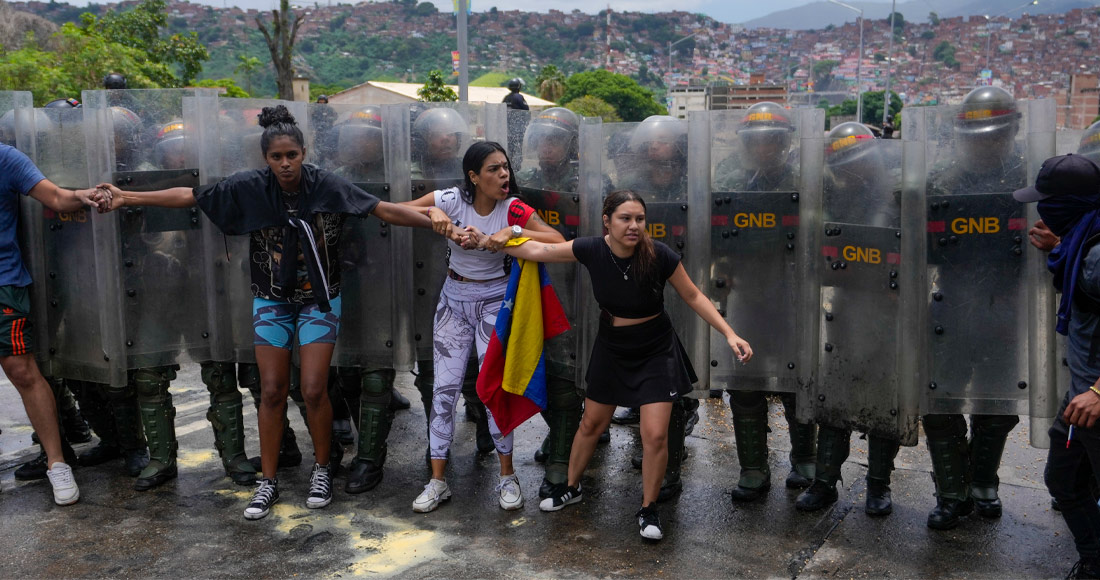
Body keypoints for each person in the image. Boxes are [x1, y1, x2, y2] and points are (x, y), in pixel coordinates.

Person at [94, 105, 436, 520]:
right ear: (266, 159)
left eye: (292, 155)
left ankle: (323, 470)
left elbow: (383, 209)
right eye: (277, 157)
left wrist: (439, 221)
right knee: (272, 389)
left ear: (304, 153)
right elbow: (191, 196)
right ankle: (268, 482)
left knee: (314, 388)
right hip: (271, 300)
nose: (285, 163)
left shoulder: (326, 185)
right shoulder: (251, 186)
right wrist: (126, 197)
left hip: (319, 300)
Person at [501, 189, 752, 541]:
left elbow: (694, 295)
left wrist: (730, 333)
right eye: (625, 218)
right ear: (607, 221)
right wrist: (495, 239)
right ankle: (571, 487)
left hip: (655, 348)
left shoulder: (659, 255)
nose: (634, 226)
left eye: (639, 219)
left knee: (655, 434)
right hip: (612, 346)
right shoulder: (591, 249)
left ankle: (649, 508)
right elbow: (538, 250)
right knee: (591, 422)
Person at [400, 140, 565, 513]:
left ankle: (507, 476)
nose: (504, 174)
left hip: (495, 303)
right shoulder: (451, 200)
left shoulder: (513, 208)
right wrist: (432, 214)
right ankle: (437, 481)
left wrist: (513, 232)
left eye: (505, 167)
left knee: (493, 392)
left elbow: (557, 240)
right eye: (494, 169)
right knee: (443, 392)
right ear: (473, 176)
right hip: (452, 303)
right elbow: (396, 211)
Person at [922, 86, 1025, 530]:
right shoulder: (941, 181)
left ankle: (983, 483)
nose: (988, 142)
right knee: (939, 401)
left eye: (997, 133)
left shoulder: (1027, 177)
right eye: (980, 134)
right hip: (952, 305)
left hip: (1006, 307)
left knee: (997, 405)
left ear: (1012, 131)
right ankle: (952, 493)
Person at [0, 136, 103, 504]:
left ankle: (57, 463)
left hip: (4, 283)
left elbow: (56, 198)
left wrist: (85, 195)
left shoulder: (5, 158)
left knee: (23, 371)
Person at [1014, 153, 1100, 578]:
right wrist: (1062, 245)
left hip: (1095, 401)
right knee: (1064, 481)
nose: (1041, 210)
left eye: (1048, 202)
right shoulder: (1085, 240)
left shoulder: (1097, 256)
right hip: (1080, 399)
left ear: (1067, 205)